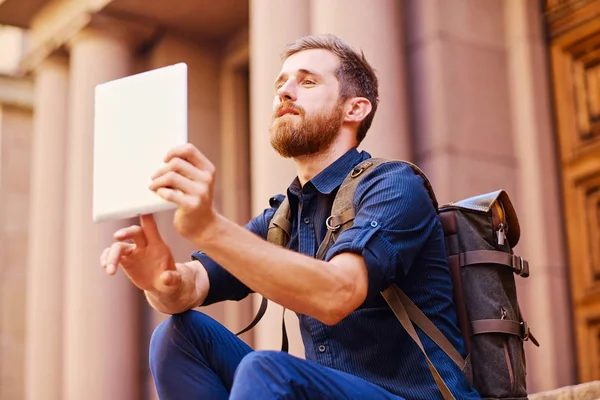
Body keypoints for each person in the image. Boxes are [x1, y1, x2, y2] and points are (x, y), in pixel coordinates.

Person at [100, 34, 480, 399]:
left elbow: (338, 293)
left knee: (266, 369)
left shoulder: (393, 184)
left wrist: (209, 228)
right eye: (281, 83)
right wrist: (162, 282)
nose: (283, 92)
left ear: (355, 108)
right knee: (176, 335)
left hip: (414, 397)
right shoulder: (284, 216)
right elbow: (192, 284)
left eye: (308, 82)